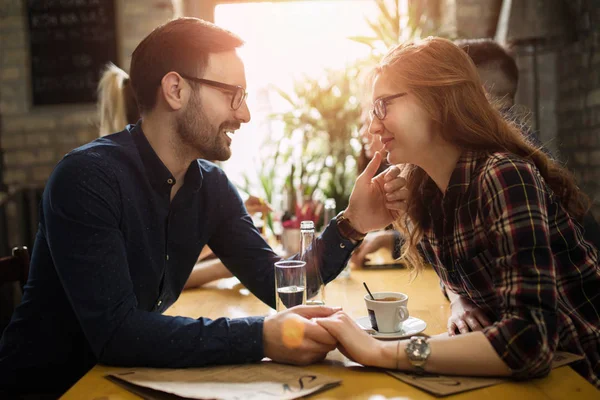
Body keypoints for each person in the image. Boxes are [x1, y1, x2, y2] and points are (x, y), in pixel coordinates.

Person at [0, 18, 409, 397]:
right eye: (233, 95)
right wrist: (263, 336)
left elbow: (276, 283)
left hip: (131, 383)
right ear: (175, 90)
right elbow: (116, 334)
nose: (244, 114)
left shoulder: (210, 186)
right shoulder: (87, 179)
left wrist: (351, 225)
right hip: (53, 389)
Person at [315, 37, 600, 388]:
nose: (374, 126)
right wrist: (460, 299)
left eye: (383, 106)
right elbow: (467, 275)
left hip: (580, 376)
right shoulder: (425, 190)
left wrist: (381, 352)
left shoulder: (504, 175)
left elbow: (529, 342)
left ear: (437, 100)